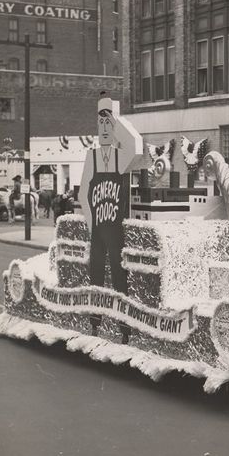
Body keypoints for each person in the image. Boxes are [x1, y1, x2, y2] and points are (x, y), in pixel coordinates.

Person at [78, 92, 142, 341]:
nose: (104, 128)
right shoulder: (91, 157)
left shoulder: (120, 157)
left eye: (108, 124)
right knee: (96, 275)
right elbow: (84, 193)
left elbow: (135, 145)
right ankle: (95, 324)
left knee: (119, 276)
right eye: (101, 123)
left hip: (115, 227)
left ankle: (124, 330)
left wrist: (116, 121)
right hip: (98, 227)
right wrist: (91, 222)